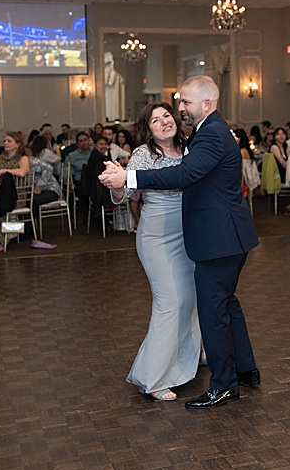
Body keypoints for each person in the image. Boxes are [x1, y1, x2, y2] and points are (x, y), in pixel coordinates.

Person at [101, 75, 258, 409]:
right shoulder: (180, 143)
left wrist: (128, 175)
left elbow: (184, 176)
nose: (177, 110)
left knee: (212, 307)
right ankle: (236, 370)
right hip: (174, 236)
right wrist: (122, 180)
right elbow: (126, 194)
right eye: (160, 116)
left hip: (212, 236)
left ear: (206, 104)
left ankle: (225, 382)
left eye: (182, 104)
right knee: (202, 303)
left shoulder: (207, 137)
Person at [107, 101, 203, 403]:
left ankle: (189, 355)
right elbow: (124, 196)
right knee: (170, 302)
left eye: (166, 116)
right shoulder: (143, 155)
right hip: (158, 236)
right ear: (147, 129)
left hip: (190, 231)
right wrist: (115, 183)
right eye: (155, 120)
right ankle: (154, 377)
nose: (163, 123)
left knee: (191, 297)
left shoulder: (190, 148)